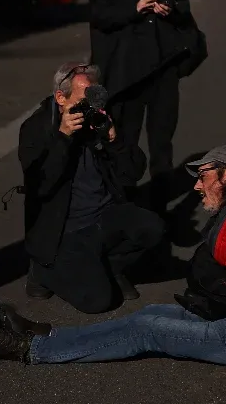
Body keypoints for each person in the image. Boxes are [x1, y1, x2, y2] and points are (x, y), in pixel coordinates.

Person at [0, 144, 226, 369]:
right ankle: (47, 333)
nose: (196, 185)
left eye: (205, 175)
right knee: (150, 314)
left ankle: (31, 350)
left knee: (148, 330)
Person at [17, 61, 165, 311]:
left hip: (104, 215)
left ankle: (109, 266)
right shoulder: (37, 128)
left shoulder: (99, 119)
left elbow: (134, 172)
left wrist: (114, 141)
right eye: (83, 99)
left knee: (153, 228)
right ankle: (42, 271)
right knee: (97, 302)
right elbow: (41, 185)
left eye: (95, 97)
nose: (90, 107)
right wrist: (63, 137)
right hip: (66, 230)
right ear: (60, 98)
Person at [89, 0, 203, 214]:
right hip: (128, 75)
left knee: (161, 142)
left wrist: (169, 10)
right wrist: (134, 9)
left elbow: (183, 8)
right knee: (125, 141)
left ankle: (159, 206)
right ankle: (123, 202)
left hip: (163, 69)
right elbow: (99, 17)